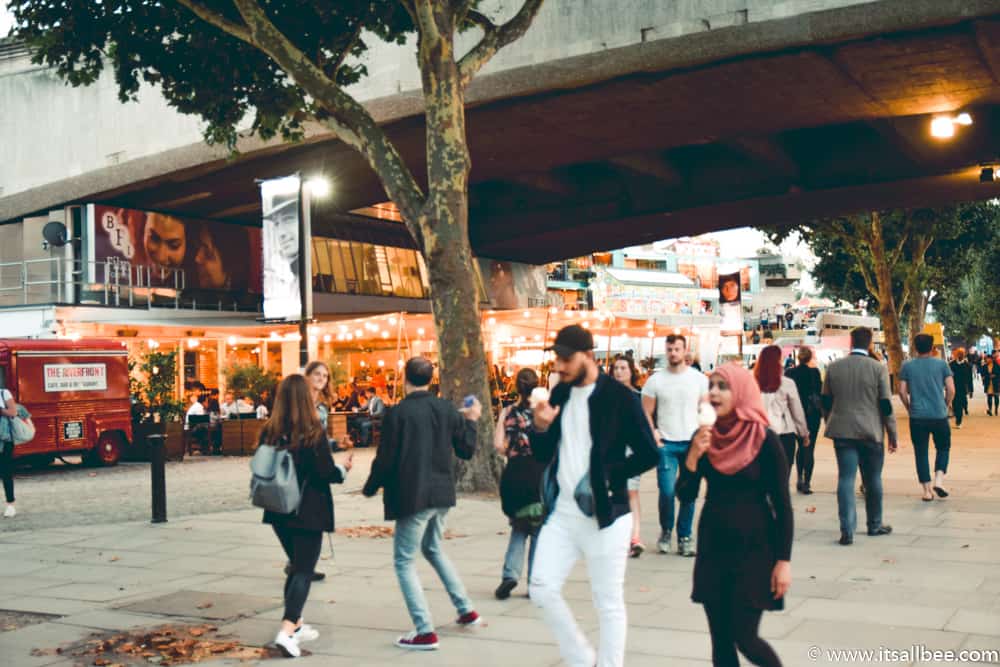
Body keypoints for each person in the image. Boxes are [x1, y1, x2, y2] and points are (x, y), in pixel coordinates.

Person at [529, 325, 659, 667]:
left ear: (588, 356)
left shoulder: (621, 398)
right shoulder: (561, 394)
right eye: (557, 358)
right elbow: (543, 452)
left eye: (566, 358)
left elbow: (650, 454)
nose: (559, 365)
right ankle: (581, 657)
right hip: (564, 513)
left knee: (608, 602)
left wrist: (609, 473)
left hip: (607, 515)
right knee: (541, 587)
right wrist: (540, 426)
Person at [362, 357, 483, 651]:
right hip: (441, 493)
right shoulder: (445, 409)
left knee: (404, 561)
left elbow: (386, 458)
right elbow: (466, 451)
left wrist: (370, 486)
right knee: (432, 548)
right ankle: (465, 608)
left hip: (412, 495)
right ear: (432, 379)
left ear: (405, 379)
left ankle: (424, 629)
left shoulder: (398, 413)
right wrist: (472, 421)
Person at [677, 363, 792, 667]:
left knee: (745, 636)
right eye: (711, 385)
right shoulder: (703, 437)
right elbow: (685, 495)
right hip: (714, 545)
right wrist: (691, 459)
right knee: (721, 642)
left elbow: (782, 505)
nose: (713, 392)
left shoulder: (765, 440)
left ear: (740, 392)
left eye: (722, 386)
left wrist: (783, 561)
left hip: (755, 548)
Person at [260, 374, 352, 658]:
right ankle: (287, 632)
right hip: (307, 510)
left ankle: (296, 624)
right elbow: (325, 473)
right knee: (303, 570)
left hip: (277, 509)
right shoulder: (312, 431)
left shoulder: (269, 430)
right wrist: (344, 469)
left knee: (296, 565)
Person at [822, 327, 897, 546]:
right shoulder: (878, 369)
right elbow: (886, 404)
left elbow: (825, 401)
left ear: (850, 342)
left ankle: (847, 529)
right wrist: (892, 433)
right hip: (871, 432)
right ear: (870, 343)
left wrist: (831, 421)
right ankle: (874, 524)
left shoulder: (834, 368)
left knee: (845, 478)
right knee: (873, 479)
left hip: (842, 432)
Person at [642, 334, 709, 557]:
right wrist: (654, 434)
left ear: (685, 350)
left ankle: (685, 536)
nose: (673, 353)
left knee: (689, 493)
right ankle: (666, 530)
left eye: (677, 349)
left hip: (691, 442)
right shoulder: (655, 381)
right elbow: (646, 412)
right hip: (667, 444)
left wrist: (703, 435)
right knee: (667, 491)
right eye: (669, 349)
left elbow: (706, 410)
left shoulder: (698, 380)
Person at [493, 368, 546, 599]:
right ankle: (535, 582)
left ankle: (510, 574)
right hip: (538, 473)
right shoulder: (543, 413)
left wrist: (513, 448)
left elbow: (498, 445)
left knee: (518, 527)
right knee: (537, 529)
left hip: (514, 473)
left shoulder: (507, 412)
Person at [899, 334, 956, 501]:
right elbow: (951, 389)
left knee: (921, 451)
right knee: (943, 447)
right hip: (939, 414)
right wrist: (945, 405)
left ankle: (927, 491)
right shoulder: (942, 364)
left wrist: (909, 407)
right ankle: (939, 479)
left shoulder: (907, 366)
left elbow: (902, 391)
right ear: (932, 347)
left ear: (915, 347)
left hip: (917, 416)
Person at [754, 346, 809, 483]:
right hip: (784, 434)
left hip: (758, 435)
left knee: (762, 475)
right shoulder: (787, 383)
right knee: (782, 478)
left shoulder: (752, 382)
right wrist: (804, 433)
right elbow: (797, 411)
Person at [611, 355, 648, 557]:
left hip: (632, 449)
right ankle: (622, 537)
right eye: (616, 368)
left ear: (631, 371)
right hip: (612, 450)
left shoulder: (638, 396)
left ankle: (635, 537)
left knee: (632, 492)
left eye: (623, 368)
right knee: (619, 492)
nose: (619, 372)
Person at [785, 347, 823, 494]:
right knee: (809, 448)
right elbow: (820, 392)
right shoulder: (815, 373)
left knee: (799, 446)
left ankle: (799, 477)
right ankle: (806, 482)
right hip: (811, 415)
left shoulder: (790, 373)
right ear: (809, 358)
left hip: (793, 415)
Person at [0, 386, 20, 518]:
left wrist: (1, 410)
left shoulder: (3, 393)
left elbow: (13, 412)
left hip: (4, 440)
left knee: (5, 472)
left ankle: (10, 504)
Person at [304, 362, 335, 432]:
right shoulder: (298, 402)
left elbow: (322, 436)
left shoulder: (323, 407)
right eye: (317, 374)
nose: (321, 379)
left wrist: (338, 443)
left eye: (325, 376)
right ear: (307, 376)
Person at [949, 348, 973, 430]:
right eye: (959, 354)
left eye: (962, 354)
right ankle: (957, 415)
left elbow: (970, 378)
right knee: (955, 404)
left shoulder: (968, 365)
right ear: (956, 355)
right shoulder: (951, 365)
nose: (960, 356)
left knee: (960, 404)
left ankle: (959, 421)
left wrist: (971, 390)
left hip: (963, 388)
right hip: (953, 387)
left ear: (964, 355)